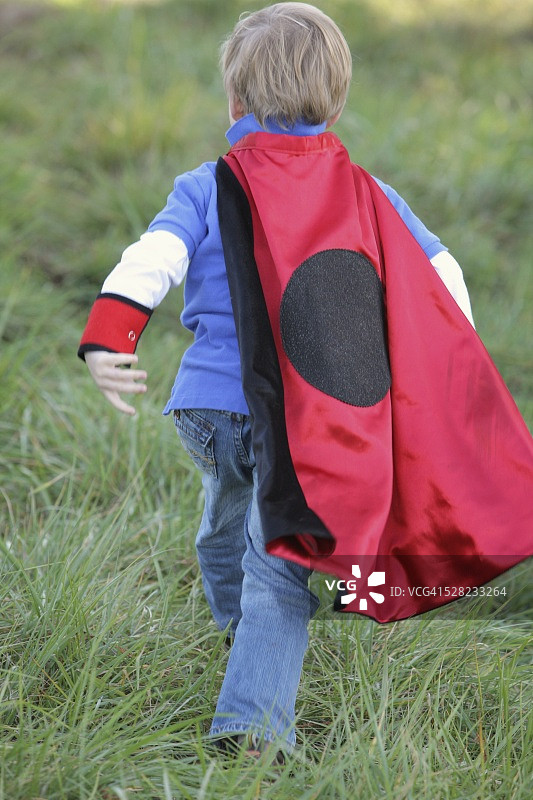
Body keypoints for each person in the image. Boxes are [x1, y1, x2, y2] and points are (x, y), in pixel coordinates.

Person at [78, 2, 478, 760]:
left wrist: (108, 336)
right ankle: (255, 718)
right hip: (304, 425)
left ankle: (242, 651)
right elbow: (443, 274)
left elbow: (151, 258)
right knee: (280, 570)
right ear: (337, 102)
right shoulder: (365, 193)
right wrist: (447, 360)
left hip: (207, 415)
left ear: (234, 100)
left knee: (223, 528)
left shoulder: (207, 184)